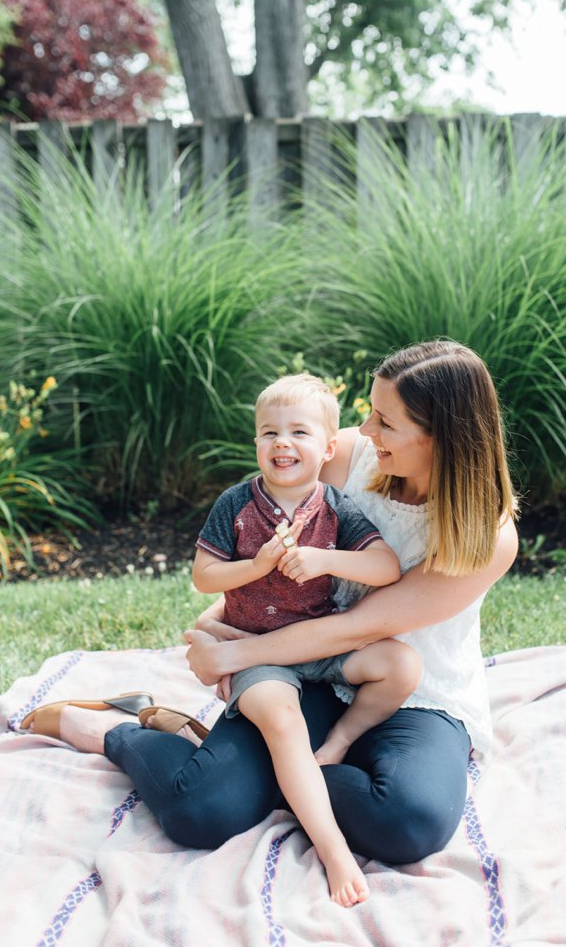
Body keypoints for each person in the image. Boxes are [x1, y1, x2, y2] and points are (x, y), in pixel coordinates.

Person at [17, 340, 519, 877]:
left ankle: (264, 772)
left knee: (409, 820)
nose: (366, 429)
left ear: (439, 434)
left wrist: (229, 657)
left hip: (415, 695)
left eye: (385, 421)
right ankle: (116, 728)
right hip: (309, 675)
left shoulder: (485, 535)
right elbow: (267, 557)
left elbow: (353, 628)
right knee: (199, 810)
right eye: (371, 412)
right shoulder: (345, 455)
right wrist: (218, 623)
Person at [191, 373, 415, 905]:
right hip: (260, 650)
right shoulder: (236, 505)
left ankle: (335, 745)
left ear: (329, 447)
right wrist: (256, 565)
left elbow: (385, 567)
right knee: (283, 720)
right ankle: (333, 849)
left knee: (401, 666)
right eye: (269, 433)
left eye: (299, 432)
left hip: (319, 643)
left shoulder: (335, 506)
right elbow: (204, 577)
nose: (282, 443)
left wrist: (322, 559)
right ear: (255, 445)